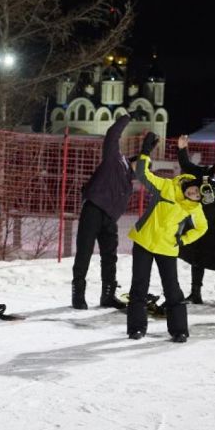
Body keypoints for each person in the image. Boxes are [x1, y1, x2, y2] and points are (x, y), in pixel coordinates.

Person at [127, 133, 207, 342]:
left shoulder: (194, 207)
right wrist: (145, 152)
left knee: (172, 289)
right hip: (144, 241)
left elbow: (202, 228)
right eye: (194, 190)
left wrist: (183, 240)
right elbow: (143, 175)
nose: (194, 195)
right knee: (139, 286)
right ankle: (136, 328)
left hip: (167, 247)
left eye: (198, 195)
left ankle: (179, 330)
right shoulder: (166, 187)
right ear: (191, 184)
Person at [72, 113, 134, 310]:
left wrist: (148, 149)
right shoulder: (114, 160)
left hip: (109, 218)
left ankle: (107, 296)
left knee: (110, 256)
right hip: (93, 210)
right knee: (84, 252)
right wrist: (127, 118)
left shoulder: (129, 179)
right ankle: (78, 295)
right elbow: (111, 135)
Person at [176, 134, 215, 304]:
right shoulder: (204, 173)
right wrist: (182, 149)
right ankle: (195, 293)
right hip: (200, 222)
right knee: (197, 257)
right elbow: (186, 165)